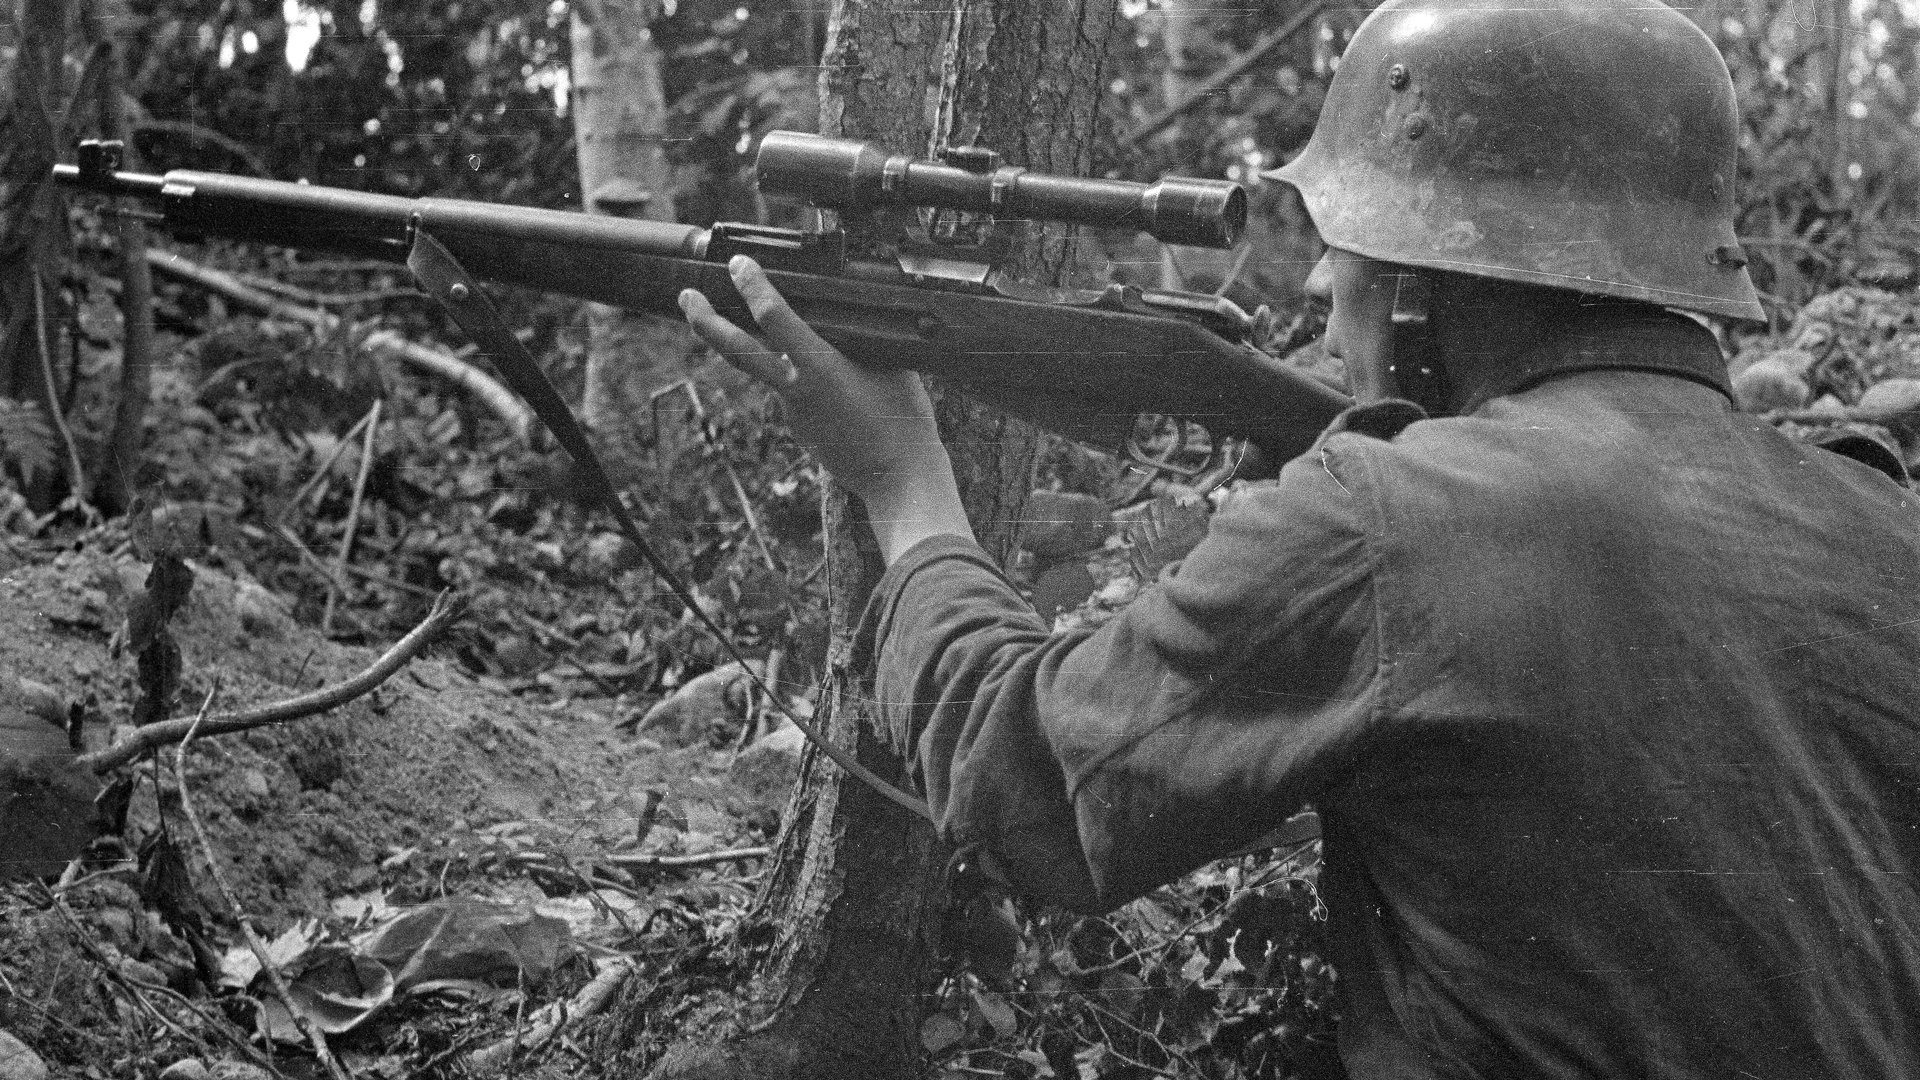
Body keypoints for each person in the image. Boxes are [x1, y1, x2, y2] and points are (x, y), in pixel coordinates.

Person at [679, 0, 1920, 1074]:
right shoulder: (1881, 520)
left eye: (1353, 241)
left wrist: (904, 483)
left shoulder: (1384, 518)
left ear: (1431, 284)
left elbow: (1034, 790)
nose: (1322, 288)